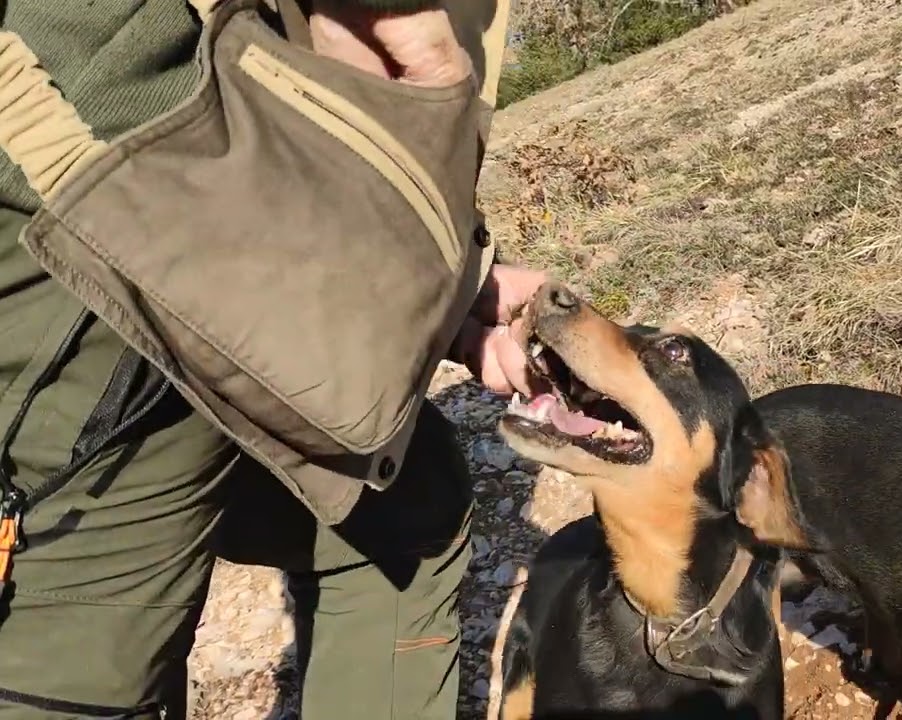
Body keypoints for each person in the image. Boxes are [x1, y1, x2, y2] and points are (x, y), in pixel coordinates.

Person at [0, 0, 538, 717]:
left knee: (398, 511)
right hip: (102, 172)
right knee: (86, 658)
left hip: (137, 153)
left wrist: (442, 275)